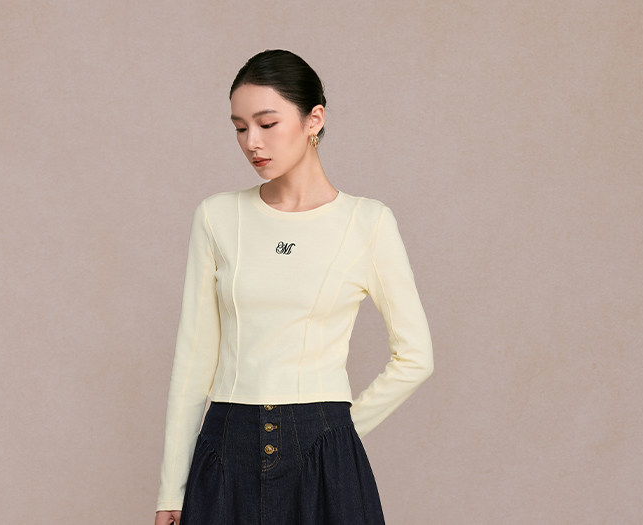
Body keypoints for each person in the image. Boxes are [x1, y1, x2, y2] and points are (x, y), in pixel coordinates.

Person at [154, 49, 434, 525]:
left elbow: (416, 357)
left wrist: (337, 433)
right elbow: (193, 363)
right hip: (226, 450)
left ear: (313, 120)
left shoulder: (367, 223)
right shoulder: (217, 217)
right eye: (240, 128)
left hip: (325, 455)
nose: (252, 142)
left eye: (267, 123)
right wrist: (171, 491)